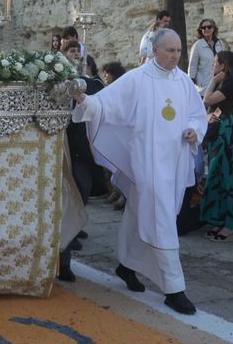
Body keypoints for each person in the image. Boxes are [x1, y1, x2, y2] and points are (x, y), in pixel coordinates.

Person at [71, 30, 207, 315]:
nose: (176, 56)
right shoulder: (137, 78)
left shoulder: (183, 81)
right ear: (155, 50)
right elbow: (106, 103)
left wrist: (195, 130)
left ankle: (126, 264)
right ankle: (174, 289)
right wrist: (86, 100)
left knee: (139, 211)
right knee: (161, 219)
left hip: (175, 161)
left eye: (179, 51)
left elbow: (197, 113)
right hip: (147, 162)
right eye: (170, 50)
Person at [60, 40, 103, 277]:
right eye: (71, 50)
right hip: (59, 150)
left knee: (82, 189)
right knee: (63, 201)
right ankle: (63, 261)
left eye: (78, 51)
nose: (75, 54)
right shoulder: (54, 82)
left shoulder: (91, 84)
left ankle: (72, 234)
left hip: (80, 152)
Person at [200, 49, 233, 242]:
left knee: (227, 177)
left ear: (223, 66)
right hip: (218, 129)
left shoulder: (232, 83)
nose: (213, 65)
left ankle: (230, 226)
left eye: (215, 62)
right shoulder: (226, 82)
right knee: (216, 175)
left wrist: (212, 80)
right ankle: (219, 219)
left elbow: (207, 99)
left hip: (226, 131)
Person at [186, 19, 224, 94]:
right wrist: (191, 82)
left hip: (219, 83)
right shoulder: (197, 46)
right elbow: (192, 66)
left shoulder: (220, 44)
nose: (206, 29)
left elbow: (225, 62)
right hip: (203, 85)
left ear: (213, 28)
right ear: (201, 30)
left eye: (209, 27)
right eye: (203, 28)